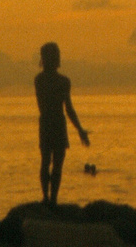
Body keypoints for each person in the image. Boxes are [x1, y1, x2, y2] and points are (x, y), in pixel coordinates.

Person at [34, 42, 90, 206]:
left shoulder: (46, 80)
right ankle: (49, 198)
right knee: (48, 162)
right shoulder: (50, 81)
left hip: (52, 122)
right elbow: (67, 108)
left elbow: (68, 108)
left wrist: (80, 129)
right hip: (52, 122)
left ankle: (51, 199)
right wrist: (79, 129)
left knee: (52, 162)